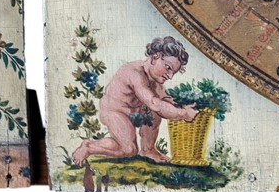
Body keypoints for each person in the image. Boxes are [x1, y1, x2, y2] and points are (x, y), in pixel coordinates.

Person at [70, 36, 197, 167]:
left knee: (156, 110)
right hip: (115, 112)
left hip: (135, 112)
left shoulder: (155, 81)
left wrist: (182, 106)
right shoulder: (135, 73)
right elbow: (154, 103)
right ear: (155, 57)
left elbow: (165, 100)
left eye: (173, 73)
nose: (170, 76)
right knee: (129, 150)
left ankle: (148, 149)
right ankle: (89, 147)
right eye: (168, 67)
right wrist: (182, 114)